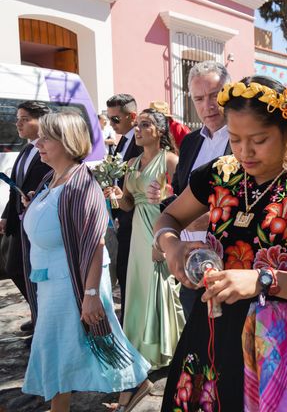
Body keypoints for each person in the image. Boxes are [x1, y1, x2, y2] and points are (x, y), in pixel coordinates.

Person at [154, 76, 287, 410]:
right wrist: (170, 244)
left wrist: (263, 280)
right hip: (214, 329)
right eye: (234, 139)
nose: (244, 152)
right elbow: (168, 218)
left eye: (259, 140)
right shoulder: (220, 174)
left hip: (285, 343)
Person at [20, 112, 151, 412]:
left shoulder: (81, 184)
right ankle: (126, 384)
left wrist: (91, 294)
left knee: (80, 342)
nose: (37, 142)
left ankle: (131, 381)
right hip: (49, 279)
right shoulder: (49, 178)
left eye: (46, 138)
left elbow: (95, 242)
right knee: (61, 347)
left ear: (66, 142)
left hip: (72, 281)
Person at [146, 61, 231, 319]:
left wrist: (212, 216)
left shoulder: (245, 139)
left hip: (232, 264)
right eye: (199, 98)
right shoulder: (191, 142)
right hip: (191, 261)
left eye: (215, 96)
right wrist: (165, 203)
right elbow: (182, 193)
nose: (208, 105)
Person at [107, 109, 184, 369]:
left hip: (159, 231)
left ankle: (165, 350)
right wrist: (116, 195)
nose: (138, 129)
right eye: (137, 125)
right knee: (139, 287)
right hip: (137, 229)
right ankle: (138, 347)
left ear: (160, 131)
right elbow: (128, 204)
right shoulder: (131, 163)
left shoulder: (171, 161)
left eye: (145, 124)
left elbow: (182, 204)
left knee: (159, 287)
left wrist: (164, 243)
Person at [0, 101, 51, 335]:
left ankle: (43, 319)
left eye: (23, 119)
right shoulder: (25, 150)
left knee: (33, 273)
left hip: (38, 222)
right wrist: (5, 216)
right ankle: (36, 311)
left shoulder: (49, 148)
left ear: (39, 121)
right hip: (19, 222)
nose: (17, 123)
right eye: (17, 118)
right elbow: (14, 187)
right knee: (14, 268)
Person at [106, 94, 143, 321]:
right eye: (109, 118)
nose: (111, 124)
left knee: (127, 271)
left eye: (115, 119)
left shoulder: (140, 143)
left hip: (136, 214)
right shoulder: (122, 140)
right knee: (123, 270)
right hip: (122, 211)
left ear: (132, 116)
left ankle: (129, 320)